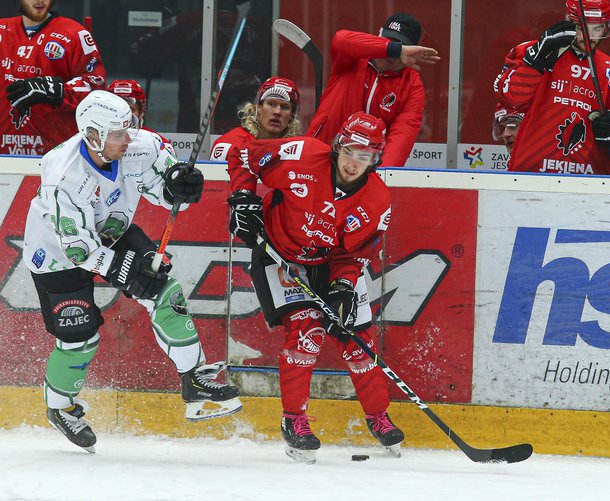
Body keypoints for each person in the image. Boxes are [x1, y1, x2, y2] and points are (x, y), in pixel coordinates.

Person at [23, 90, 241, 453]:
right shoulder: (61, 173)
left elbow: (164, 194)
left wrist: (178, 189)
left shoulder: (143, 146)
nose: (130, 137)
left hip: (114, 229)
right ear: (93, 135)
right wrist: (124, 268)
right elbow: (78, 247)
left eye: (130, 127)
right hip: (56, 253)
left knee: (164, 291)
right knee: (81, 339)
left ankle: (195, 379)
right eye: (118, 133)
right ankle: (61, 408)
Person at [227, 111, 404, 464]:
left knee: (358, 342)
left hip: (328, 264)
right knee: (307, 331)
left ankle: (378, 417)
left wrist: (342, 287)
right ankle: (294, 420)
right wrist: (243, 197)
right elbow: (241, 154)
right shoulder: (302, 154)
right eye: (351, 151)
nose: (355, 162)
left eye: (365, 156)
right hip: (278, 256)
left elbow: (354, 255)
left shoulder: (377, 201)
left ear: (376, 159)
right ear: (338, 146)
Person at [494, 0, 610, 175]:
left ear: (606, 27)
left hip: (591, 181)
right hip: (530, 173)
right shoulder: (528, 52)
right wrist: (534, 61)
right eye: (582, 27)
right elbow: (509, 98)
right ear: (569, 22)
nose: (589, 37)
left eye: (597, 28)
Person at [306, 12, 440, 167]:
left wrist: (378, 178)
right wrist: (395, 49)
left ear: (413, 50)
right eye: (389, 41)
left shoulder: (412, 86)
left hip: (361, 172)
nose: (393, 52)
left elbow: (401, 138)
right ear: (379, 36)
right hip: (320, 157)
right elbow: (341, 40)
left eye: (402, 45)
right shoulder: (353, 57)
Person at [1, 0, 107, 155]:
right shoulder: (2, 31)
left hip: (55, 158)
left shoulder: (75, 33)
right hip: (3, 158)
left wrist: (57, 90)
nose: (39, 1)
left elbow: (97, 87)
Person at [210, 76, 302, 163]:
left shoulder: (298, 151)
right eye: (271, 104)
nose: (277, 112)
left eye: (285, 107)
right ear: (258, 108)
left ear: (292, 115)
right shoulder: (232, 145)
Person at [108, 79, 175, 154]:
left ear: (140, 113)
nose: (124, 116)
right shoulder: (95, 142)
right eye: (117, 110)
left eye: (130, 110)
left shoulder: (158, 145)